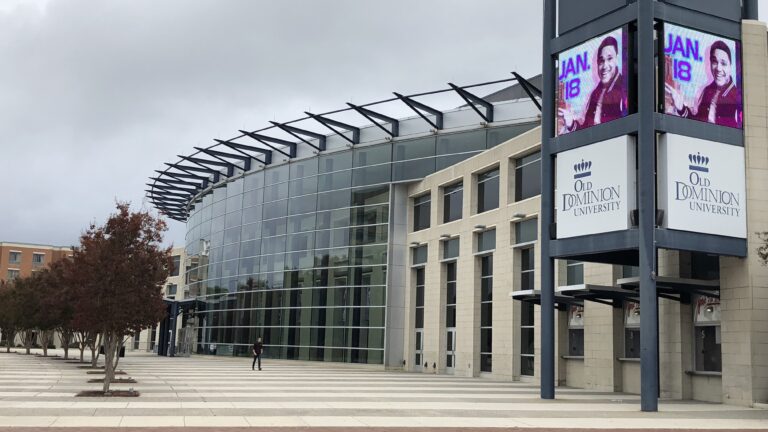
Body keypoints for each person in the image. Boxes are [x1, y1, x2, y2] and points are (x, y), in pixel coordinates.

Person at [665, 40, 742, 128]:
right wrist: (681, 108)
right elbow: (696, 125)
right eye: (714, 62)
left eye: (723, 63)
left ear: (730, 66)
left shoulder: (737, 97)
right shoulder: (708, 91)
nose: (718, 68)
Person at [559, 35, 627, 133]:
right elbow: (586, 133)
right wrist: (571, 123)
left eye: (609, 58)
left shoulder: (623, 90)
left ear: (617, 58)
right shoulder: (595, 93)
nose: (604, 66)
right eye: (601, 60)